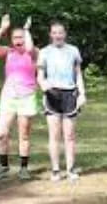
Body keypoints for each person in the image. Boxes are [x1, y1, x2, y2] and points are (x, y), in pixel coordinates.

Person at [0, 14, 38, 181]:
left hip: (26, 96)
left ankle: (24, 168)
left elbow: (30, 48)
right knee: (2, 133)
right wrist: (2, 29)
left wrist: (26, 30)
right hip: (8, 97)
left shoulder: (33, 52)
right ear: (10, 39)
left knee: (24, 135)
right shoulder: (8, 52)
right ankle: (3, 166)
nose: (19, 40)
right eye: (15, 37)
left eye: (21, 37)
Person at [37, 21, 86, 182]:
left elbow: (78, 74)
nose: (58, 35)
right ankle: (56, 170)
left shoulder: (73, 51)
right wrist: (44, 86)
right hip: (52, 94)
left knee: (70, 135)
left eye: (60, 32)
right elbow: (40, 75)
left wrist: (82, 93)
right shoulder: (44, 52)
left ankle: (71, 169)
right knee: (54, 135)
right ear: (50, 34)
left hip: (69, 94)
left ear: (65, 34)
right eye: (54, 32)